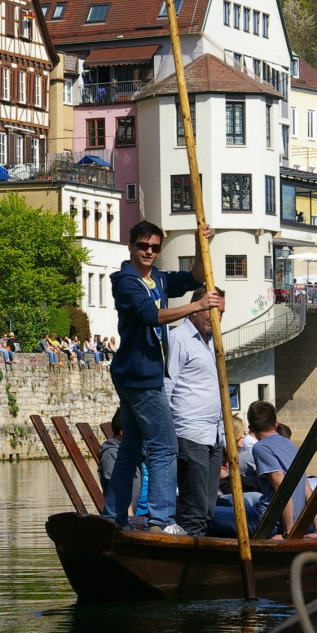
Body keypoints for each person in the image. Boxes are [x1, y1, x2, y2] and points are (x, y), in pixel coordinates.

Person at [102, 220, 222, 536]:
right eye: (143, 246)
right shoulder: (125, 281)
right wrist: (197, 305)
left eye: (155, 247)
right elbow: (150, 316)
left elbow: (195, 275)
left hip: (137, 373)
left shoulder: (158, 278)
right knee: (165, 447)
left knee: (131, 448)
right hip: (140, 375)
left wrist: (201, 243)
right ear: (131, 247)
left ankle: (113, 516)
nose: (150, 252)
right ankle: (162, 520)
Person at [208, 401, 317, 539]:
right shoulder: (289, 445)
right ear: (276, 424)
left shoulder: (261, 448)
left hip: (268, 523)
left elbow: (282, 490)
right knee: (221, 506)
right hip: (287, 519)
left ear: (251, 427)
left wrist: (287, 533)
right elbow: (308, 491)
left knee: (201, 514)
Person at [165, 286, 227, 537]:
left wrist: (222, 432)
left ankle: (195, 552)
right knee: (195, 509)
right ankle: (188, 560)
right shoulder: (178, 338)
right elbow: (167, 385)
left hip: (212, 434)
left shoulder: (215, 342)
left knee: (208, 507)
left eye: (221, 312)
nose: (217, 318)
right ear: (196, 308)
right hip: (189, 433)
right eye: (211, 311)